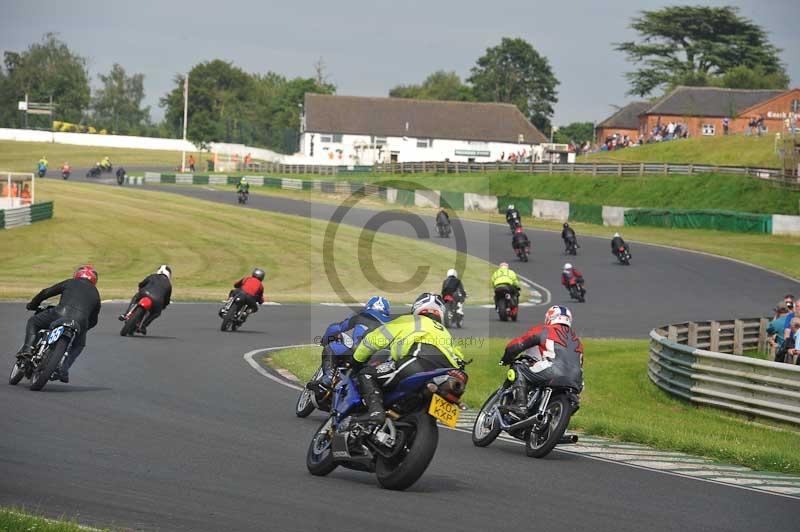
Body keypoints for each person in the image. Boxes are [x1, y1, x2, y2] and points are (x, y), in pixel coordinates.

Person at [350, 293, 466, 428]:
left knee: (367, 374)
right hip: (448, 374)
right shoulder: (445, 332)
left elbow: (373, 341)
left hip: (419, 360)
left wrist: (356, 360)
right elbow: (460, 358)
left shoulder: (410, 321)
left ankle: (375, 412)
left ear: (417, 308)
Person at [16, 265, 101, 383]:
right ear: (94, 280)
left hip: (59, 314)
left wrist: (32, 305)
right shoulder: (96, 294)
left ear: (76, 275)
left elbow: (46, 292)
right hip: (80, 323)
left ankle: (27, 349)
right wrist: (83, 329)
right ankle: (64, 369)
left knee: (33, 322)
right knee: (78, 345)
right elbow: (94, 320)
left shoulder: (70, 282)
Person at [498, 305, 584, 418]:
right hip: (577, 379)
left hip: (552, 370)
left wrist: (506, 358)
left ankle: (520, 405)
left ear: (550, 317)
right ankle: (554, 421)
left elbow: (517, 345)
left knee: (519, 367)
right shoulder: (577, 341)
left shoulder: (545, 330)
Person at [314, 296, 392, 387]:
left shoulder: (362, 315)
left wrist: (324, 341)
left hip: (359, 354)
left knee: (331, 347)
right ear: (387, 310)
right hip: (384, 359)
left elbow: (335, 328)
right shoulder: (392, 323)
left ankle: (328, 378)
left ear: (368, 306)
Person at [119, 265, 172, 335]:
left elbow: (141, 284)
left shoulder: (152, 276)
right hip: (157, 301)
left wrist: (141, 289)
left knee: (135, 297)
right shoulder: (169, 284)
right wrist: (163, 306)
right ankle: (143, 326)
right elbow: (167, 300)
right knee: (156, 313)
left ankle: (126, 314)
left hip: (144, 293)